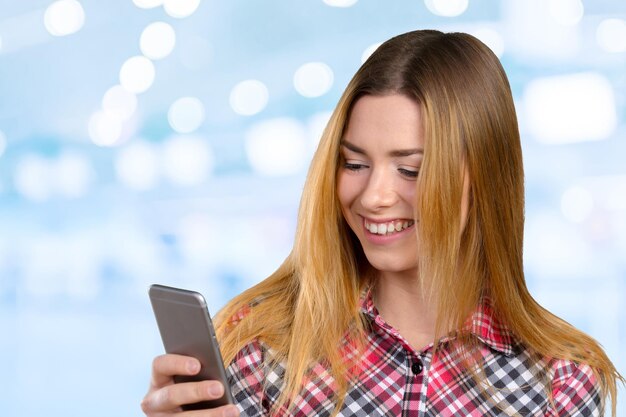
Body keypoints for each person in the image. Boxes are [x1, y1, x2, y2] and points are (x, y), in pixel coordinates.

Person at [141, 29, 623, 417]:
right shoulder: (262, 348)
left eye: (411, 170)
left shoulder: (560, 381)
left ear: (485, 179)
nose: (373, 196)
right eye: (353, 164)